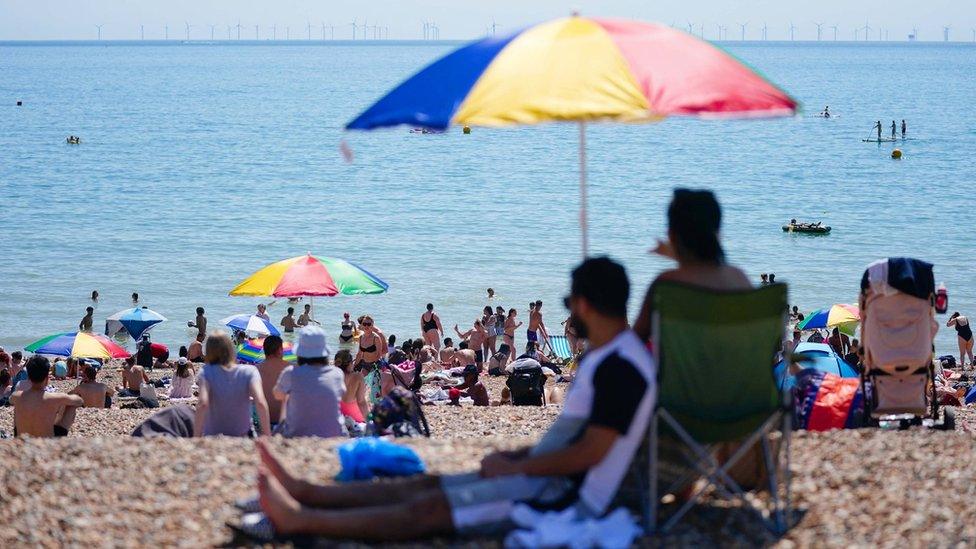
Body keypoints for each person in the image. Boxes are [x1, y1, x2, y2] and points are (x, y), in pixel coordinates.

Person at [247, 256, 655, 542]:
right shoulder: (616, 359)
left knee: (430, 510)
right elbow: (579, 439)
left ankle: (301, 520)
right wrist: (518, 458)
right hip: (542, 477)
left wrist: (521, 464)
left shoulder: (620, 368)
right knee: (428, 485)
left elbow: (590, 453)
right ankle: (310, 493)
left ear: (584, 304)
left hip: (558, 498)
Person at [634, 189, 752, 342]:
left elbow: (633, 340)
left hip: (680, 367)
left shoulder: (666, 284)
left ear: (670, 234)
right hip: (735, 365)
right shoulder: (738, 278)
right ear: (718, 232)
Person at [273, 327, 346, 438]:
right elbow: (341, 394)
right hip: (334, 435)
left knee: (287, 397)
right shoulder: (337, 373)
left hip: (296, 435)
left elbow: (277, 395)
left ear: (300, 353)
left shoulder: (291, 373)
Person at [195, 331, 270, 437]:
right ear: (230, 349)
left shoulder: (206, 371)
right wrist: (268, 435)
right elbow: (261, 403)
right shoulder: (249, 371)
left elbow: (203, 403)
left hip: (212, 435)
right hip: (242, 435)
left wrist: (196, 438)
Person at [12, 356, 84, 437]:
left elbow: (11, 400)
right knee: (71, 406)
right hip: (47, 441)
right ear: (47, 378)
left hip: (21, 438)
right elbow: (79, 401)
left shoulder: (16, 396)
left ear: (28, 376)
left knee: (18, 406)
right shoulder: (55, 398)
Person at [257, 336, 289, 430]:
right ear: (279, 350)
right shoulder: (291, 369)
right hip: (284, 422)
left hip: (262, 421)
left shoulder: (256, 369)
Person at [354, 315, 387, 405]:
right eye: (365, 324)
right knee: (359, 385)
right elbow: (359, 354)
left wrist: (372, 371)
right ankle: (360, 405)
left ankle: (379, 407)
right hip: (365, 365)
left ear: (372, 325)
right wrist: (354, 366)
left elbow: (379, 354)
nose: (366, 326)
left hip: (375, 366)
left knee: (375, 390)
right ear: (362, 325)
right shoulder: (361, 338)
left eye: (369, 324)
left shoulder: (376, 338)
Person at [335, 350, 368, 424]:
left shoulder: (330, 376)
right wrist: (369, 422)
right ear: (350, 364)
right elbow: (361, 402)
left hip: (337, 418)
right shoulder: (358, 377)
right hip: (355, 419)